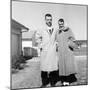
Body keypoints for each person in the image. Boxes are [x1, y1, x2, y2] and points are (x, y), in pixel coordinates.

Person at [36, 14, 59, 87]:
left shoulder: (55, 28)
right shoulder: (41, 28)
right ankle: (44, 83)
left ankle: (52, 83)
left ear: (52, 20)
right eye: (47, 19)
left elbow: (57, 38)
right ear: (45, 20)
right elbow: (37, 38)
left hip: (52, 51)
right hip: (45, 50)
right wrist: (41, 45)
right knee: (44, 68)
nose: (49, 21)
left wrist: (56, 45)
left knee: (53, 68)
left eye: (50, 19)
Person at [56, 18, 78, 86]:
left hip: (68, 51)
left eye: (62, 24)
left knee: (68, 66)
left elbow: (73, 39)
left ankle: (68, 80)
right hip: (61, 52)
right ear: (58, 24)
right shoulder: (57, 31)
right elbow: (56, 41)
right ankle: (64, 80)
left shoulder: (69, 29)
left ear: (64, 23)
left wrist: (70, 43)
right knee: (62, 66)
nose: (61, 25)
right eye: (59, 24)